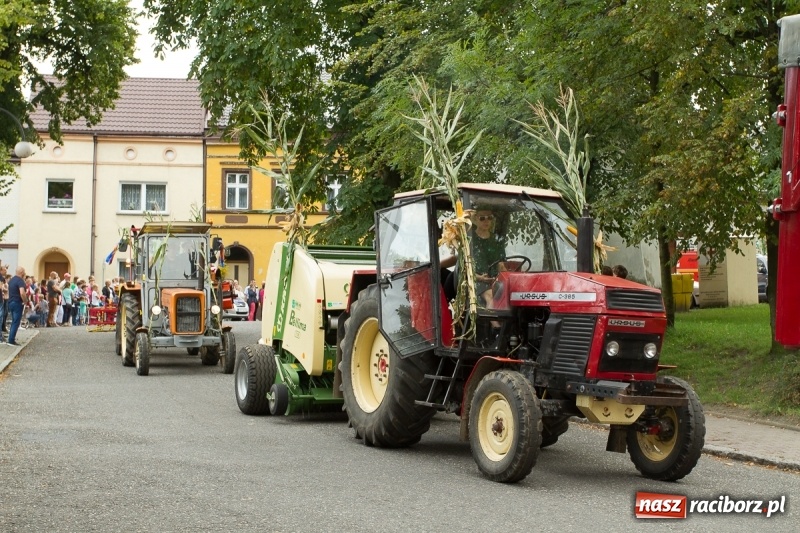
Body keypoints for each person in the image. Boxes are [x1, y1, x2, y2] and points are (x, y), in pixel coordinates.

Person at [6, 266, 29, 346]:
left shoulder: (11, 280)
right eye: (24, 271)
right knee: (16, 322)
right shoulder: (20, 281)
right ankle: (11, 340)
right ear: (21, 272)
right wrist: (25, 301)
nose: (25, 273)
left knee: (13, 321)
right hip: (17, 302)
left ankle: (11, 338)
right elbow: (22, 292)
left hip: (10, 302)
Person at [0, 264, 8, 342]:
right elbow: (1, 288)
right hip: (1, 298)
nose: (6, 271)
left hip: (3, 298)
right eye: (5, 270)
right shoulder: (1, 278)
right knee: (1, 316)